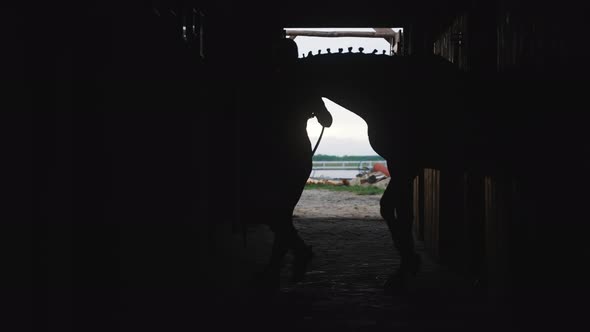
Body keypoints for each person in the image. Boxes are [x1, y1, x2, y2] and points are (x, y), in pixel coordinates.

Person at [251, 38, 333, 289]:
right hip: (297, 153)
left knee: (276, 214)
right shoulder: (306, 85)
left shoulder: (268, 84)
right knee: (281, 213)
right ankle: (293, 257)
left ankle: (278, 267)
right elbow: (327, 120)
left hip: (273, 154)